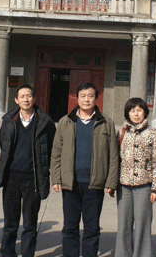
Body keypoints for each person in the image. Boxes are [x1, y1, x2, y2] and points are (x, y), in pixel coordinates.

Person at [50, 82, 119, 257]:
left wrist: (111, 181)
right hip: (70, 183)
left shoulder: (106, 122)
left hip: (94, 184)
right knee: (70, 227)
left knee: (92, 227)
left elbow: (113, 155)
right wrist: (56, 178)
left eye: (90, 96)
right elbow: (56, 152)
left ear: (96, 99)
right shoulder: (66, 122)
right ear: (77, 98)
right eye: (83, 96)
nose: (86, 99)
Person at [0, 84, 56, 257]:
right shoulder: (8, 121)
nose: (26, 99)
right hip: (11, 178)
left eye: (29, 96)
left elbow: (52, 148)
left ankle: (27, 253)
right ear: (16, 100)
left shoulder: (45, 122)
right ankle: (7, 253)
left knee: (30, 223)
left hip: (33, 179)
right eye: (22, 96)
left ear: (34, 99)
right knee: (10, 222)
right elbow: (3, 145)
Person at [115, 97, 156, 257]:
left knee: (143, 224)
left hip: (144, 185)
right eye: (132, 110)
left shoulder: (153, 133)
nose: (136, 114)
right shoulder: (121, 132)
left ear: (145, 112)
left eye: (139, 110)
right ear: (127, 113)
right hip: (124, 185)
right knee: (124, 224)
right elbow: (116, 159)